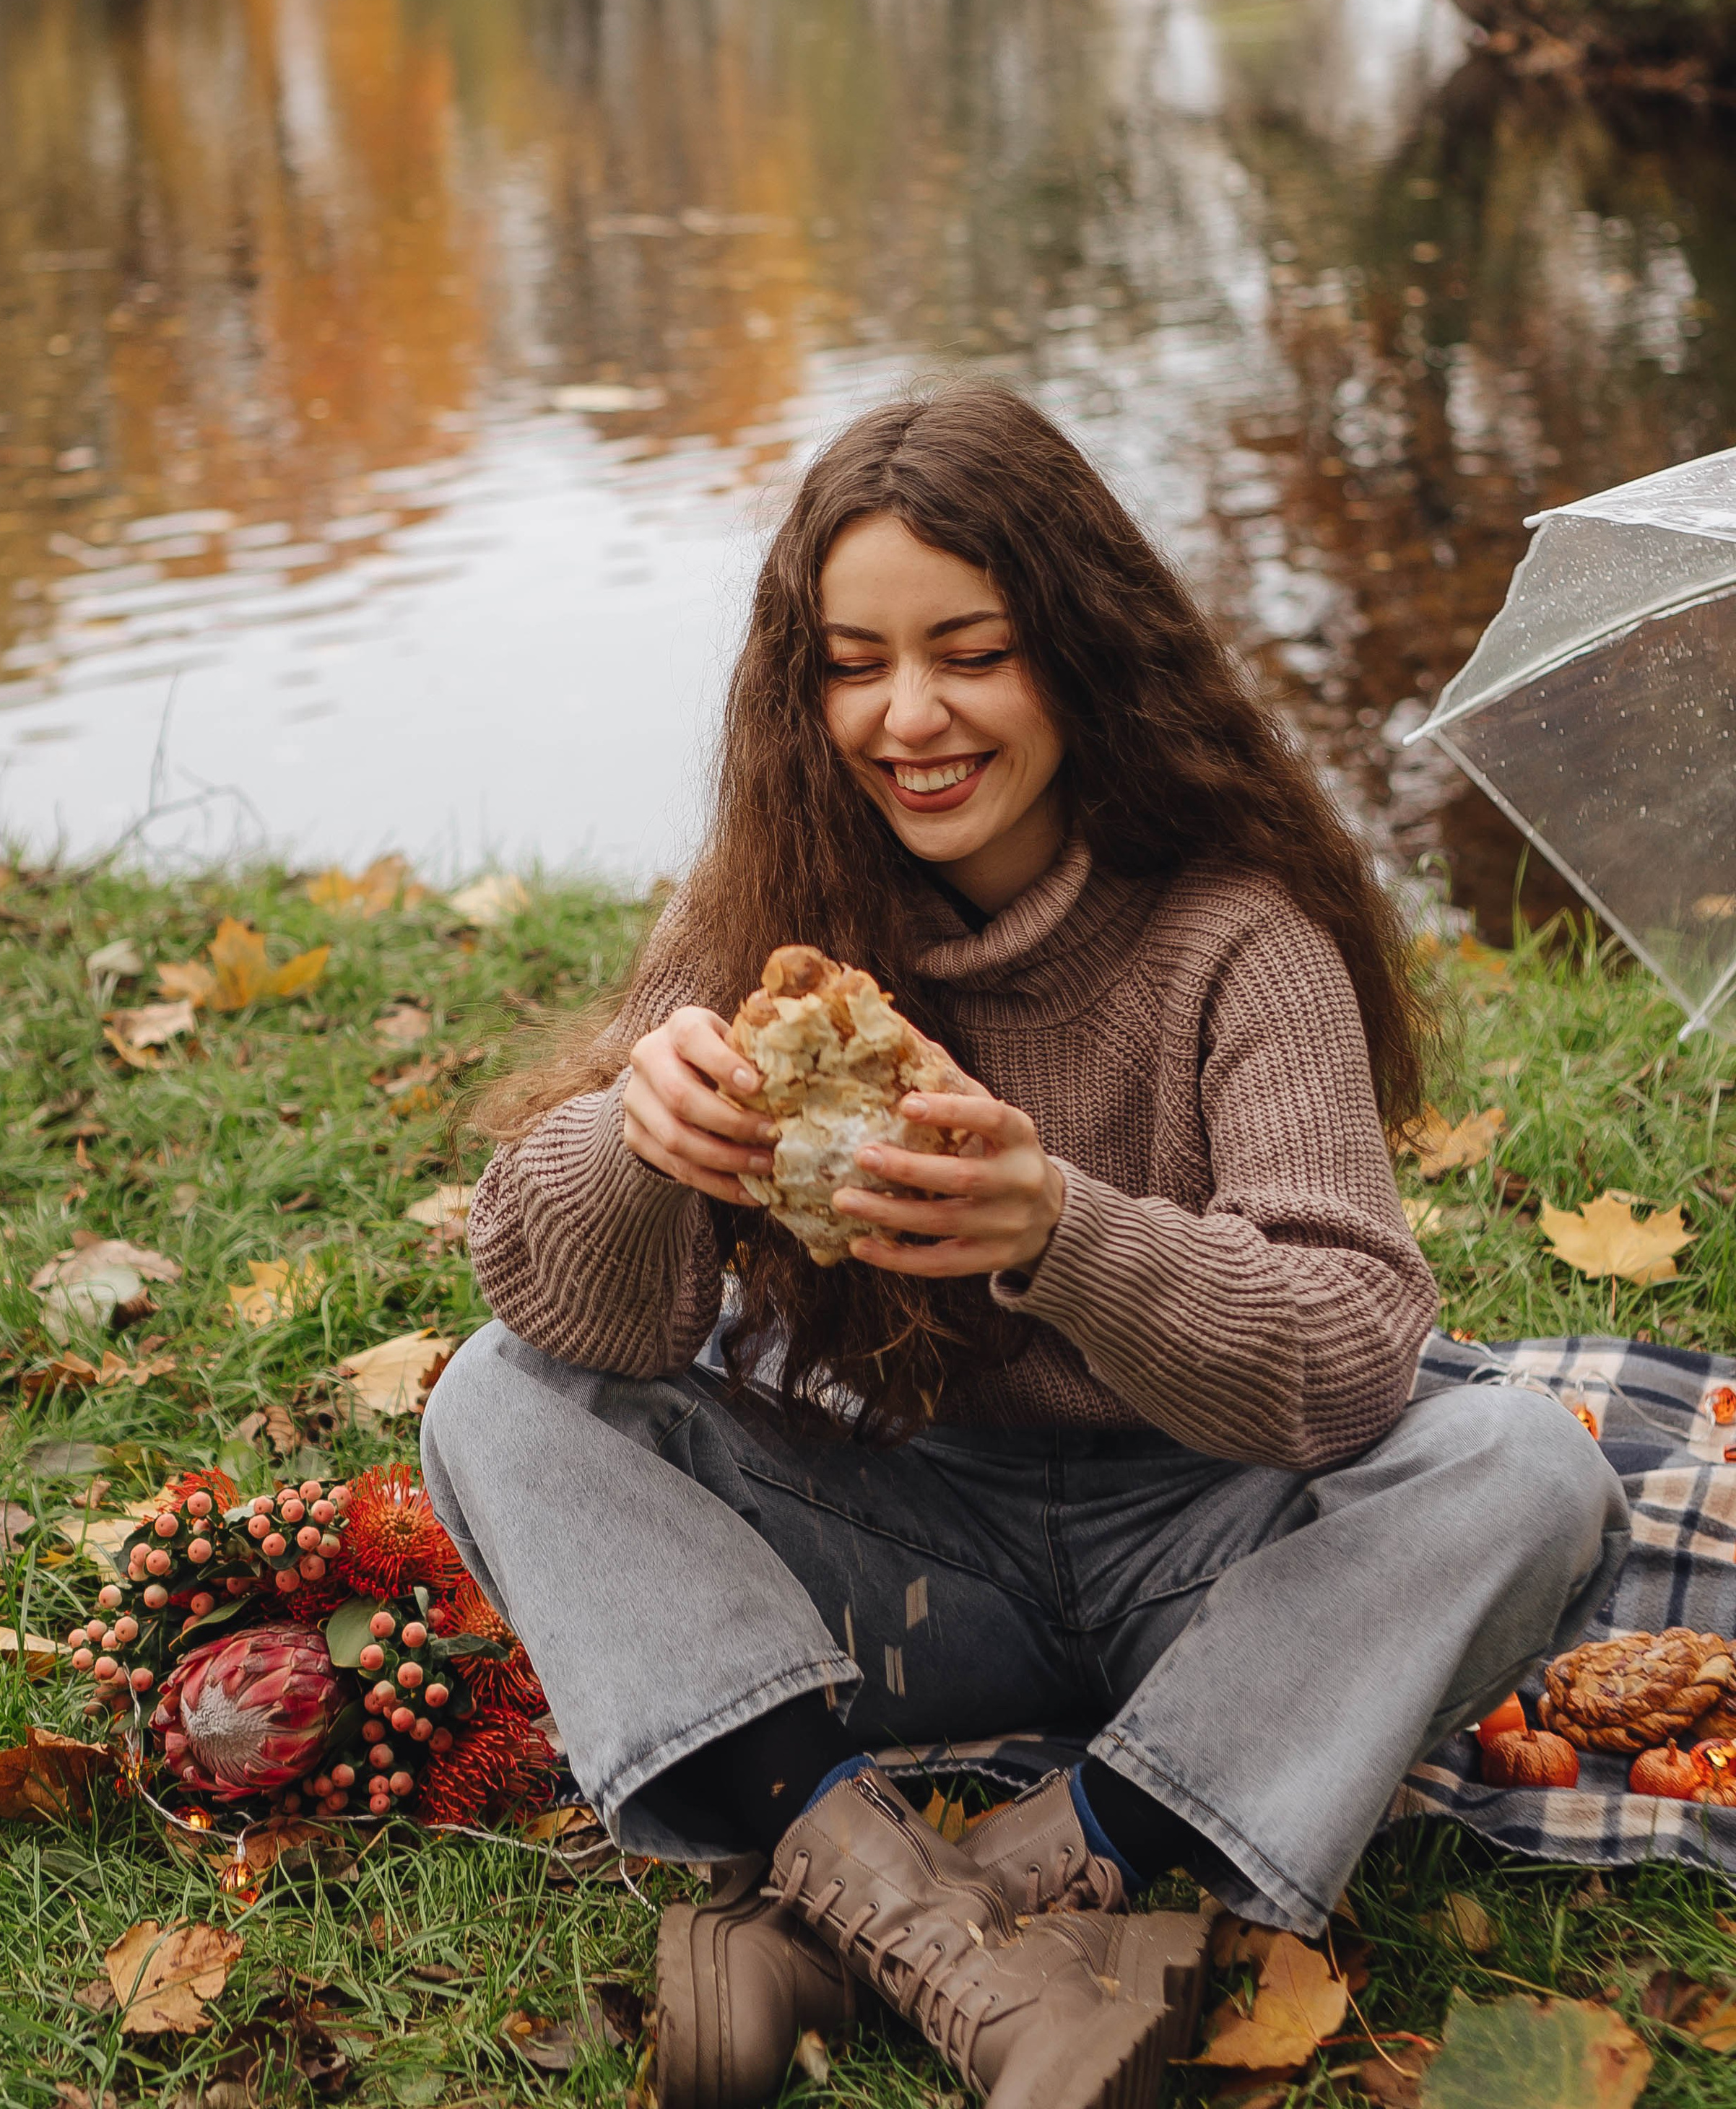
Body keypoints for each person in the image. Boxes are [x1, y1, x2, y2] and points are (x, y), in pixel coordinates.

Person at [422, 386, 1628, 2109]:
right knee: (494, 1399)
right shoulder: (764, 904)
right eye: (852, 662)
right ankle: (915, 1903)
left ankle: (993, 1880)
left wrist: (1063, 1233)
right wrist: (634, 1142)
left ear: (1074, 650)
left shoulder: (1238, 933)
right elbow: (569, 1316)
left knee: (1520, 1468)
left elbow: (1353, 1347)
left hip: (1211, 1564)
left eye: (966, 651)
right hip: (902, 1565)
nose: (906, 715)